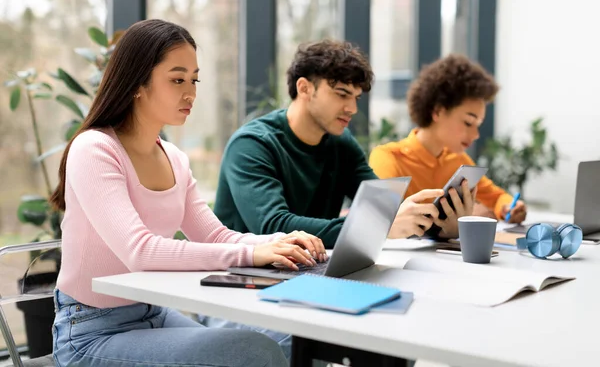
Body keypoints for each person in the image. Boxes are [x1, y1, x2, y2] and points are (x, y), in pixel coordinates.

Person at [48, 19, 325, 367]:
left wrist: (280, 242)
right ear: (138, 82)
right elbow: (140, 252)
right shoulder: (95, 149)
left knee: (287, 336)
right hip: (92, 332)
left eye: (193, 79)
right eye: (177, 79)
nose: (190, 92)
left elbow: (215, 235)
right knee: (254, 353)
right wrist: (251, 256)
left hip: (155, 315)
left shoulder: (174, 158)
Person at [213, 39, 445, 247]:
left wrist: (441, 223)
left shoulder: (340, 143)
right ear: (304, 88)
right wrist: (376, 227)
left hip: (309, 267)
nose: (352, 109)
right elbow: (273, 226)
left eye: (356, 98)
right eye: (341, 94)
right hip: (241, 275)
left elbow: (383, 207)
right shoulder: (251, 145)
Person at [369, 54, 527, 237]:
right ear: (437, 111)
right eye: (468, 122)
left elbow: (497, 196)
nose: (475, 135)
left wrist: (510, 207)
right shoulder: (388, 158)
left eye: (478, 125)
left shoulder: (458, 160)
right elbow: (377, 224)